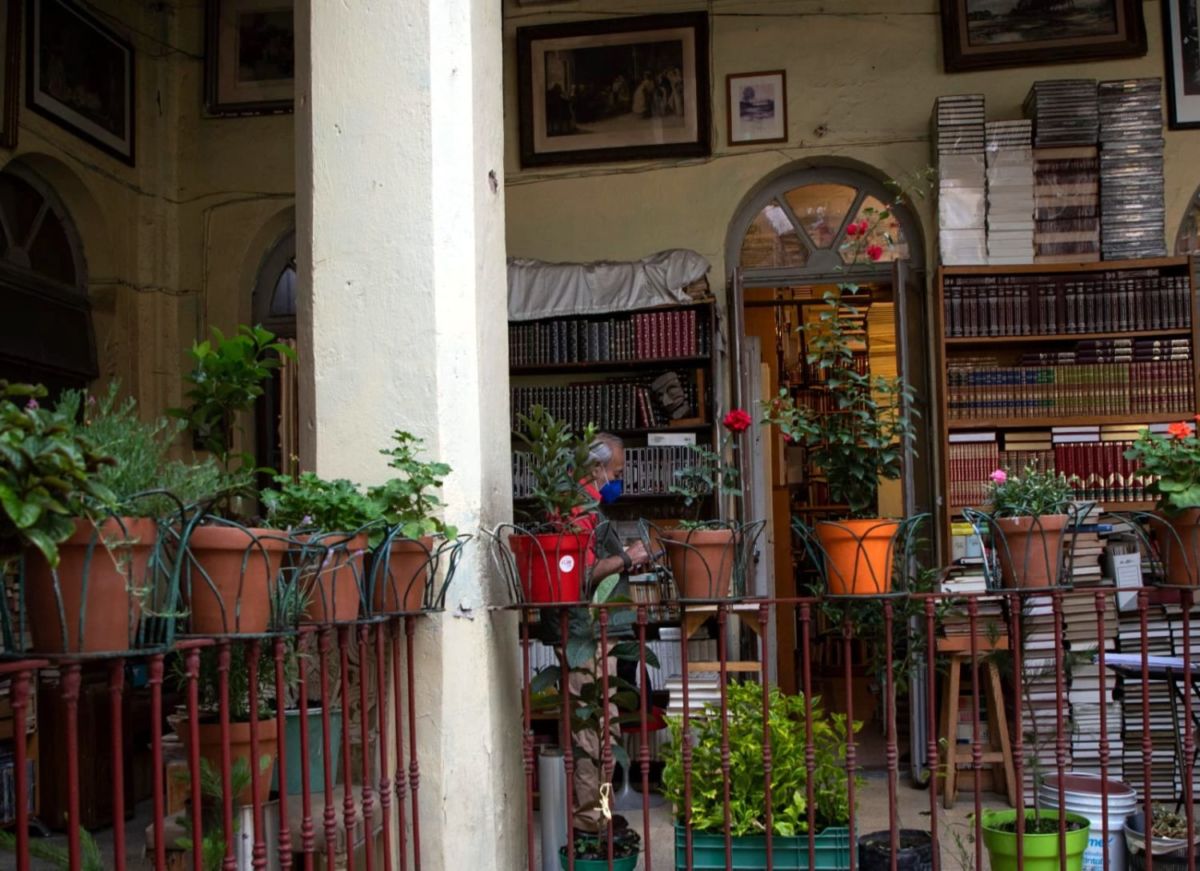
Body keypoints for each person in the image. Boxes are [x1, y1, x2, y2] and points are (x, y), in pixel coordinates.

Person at [565, 433, 651, 833]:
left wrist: (621, 562)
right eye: (615, 472)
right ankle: (590, 822)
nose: (618, 480)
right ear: (596, 468)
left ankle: (602, 814)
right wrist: (626, 558)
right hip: (586, 636)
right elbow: (578, 575)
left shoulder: (589, 507)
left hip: (601, 634)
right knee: (592, 732)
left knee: (606, 730)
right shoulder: (577, 508)